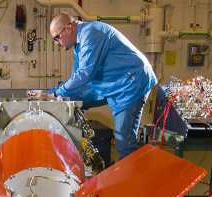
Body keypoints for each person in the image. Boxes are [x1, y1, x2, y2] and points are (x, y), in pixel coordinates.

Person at [48, 13, 157, 160]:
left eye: (57, 37)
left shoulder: (90, 33)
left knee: (124, 142)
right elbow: (77, 79)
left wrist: (56, 94)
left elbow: (84, 74)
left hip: (130, 84)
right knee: (70, 96)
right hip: (114, 84)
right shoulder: (78, 44)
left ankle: (135, 179)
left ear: (68, 28)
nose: (57, 43)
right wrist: (54, 94)